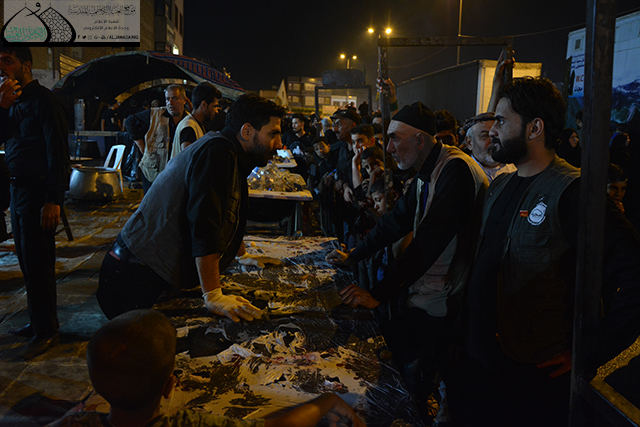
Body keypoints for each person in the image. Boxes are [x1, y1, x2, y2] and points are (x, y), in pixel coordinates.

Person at [455, 76, 640, 426]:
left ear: (534, 128)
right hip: (483, 369)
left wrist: (589, 351)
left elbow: (633, 274)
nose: (492, 130)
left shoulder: (574, 193)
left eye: (502, 121)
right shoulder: (502, 185)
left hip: (533, 383)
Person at [326, 102, 487, 420]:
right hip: (432, 294)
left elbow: (427, 243)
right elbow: (395, 222)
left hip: (450, 301)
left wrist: (378, 294)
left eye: (395, 139)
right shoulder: (429, 170)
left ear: (420, 140)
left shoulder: (455, 170)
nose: (388, 148)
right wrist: (354, 256)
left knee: (427, 381)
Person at [98, 94, 285, 322]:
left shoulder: (229, 150)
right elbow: (205, 221)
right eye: (273, 134)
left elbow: (226, 211)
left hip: (146, 271)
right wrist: (213, 294)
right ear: (247, 131)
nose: (279, 144)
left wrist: (242, 255)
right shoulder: (218, 151)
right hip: (135, 277)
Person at [49, 309, 365, 427]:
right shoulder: (189, 423)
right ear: (170, 386)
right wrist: (327, 401)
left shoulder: (74, 423)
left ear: (95, 388)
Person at [0, 45, 70, 359]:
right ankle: (36, 321)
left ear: (26, 66)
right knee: (27, 261)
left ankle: (47, 330)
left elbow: (58, 153)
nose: (2, 67)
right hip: (17, 192)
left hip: (39, 193)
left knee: (40, 263)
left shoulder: (45, 101)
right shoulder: (11, 102)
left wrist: (53, 199)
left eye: (8, 60)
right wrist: (2, 107)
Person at [125, 84, 187, 193]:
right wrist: (141, 146)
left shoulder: (188, 120)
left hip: (176, 174)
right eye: (167, 99)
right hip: (153, 173)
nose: (170, 102)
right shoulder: (155, 114)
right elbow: (129, 121)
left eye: (174, 98)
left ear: (184, 100)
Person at [170, 82, 222, 160]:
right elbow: (188, 158)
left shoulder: (196, 123)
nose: (216, 111)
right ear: (204, 105)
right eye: (214, 107)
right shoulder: (189, 126)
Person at [462, 112, 516, 182]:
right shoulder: (463, 173)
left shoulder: (517, 171)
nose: (493, 140)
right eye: (485, 135)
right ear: (469, 143)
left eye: (498, 134)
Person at [281, 114, 313, 178]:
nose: (293, 126)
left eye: (296, 123)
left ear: (302, 124)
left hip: (303, 170)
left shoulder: (309, 137)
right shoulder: (288, 134)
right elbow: (280, 147)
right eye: (292, 123)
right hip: (289, 168)